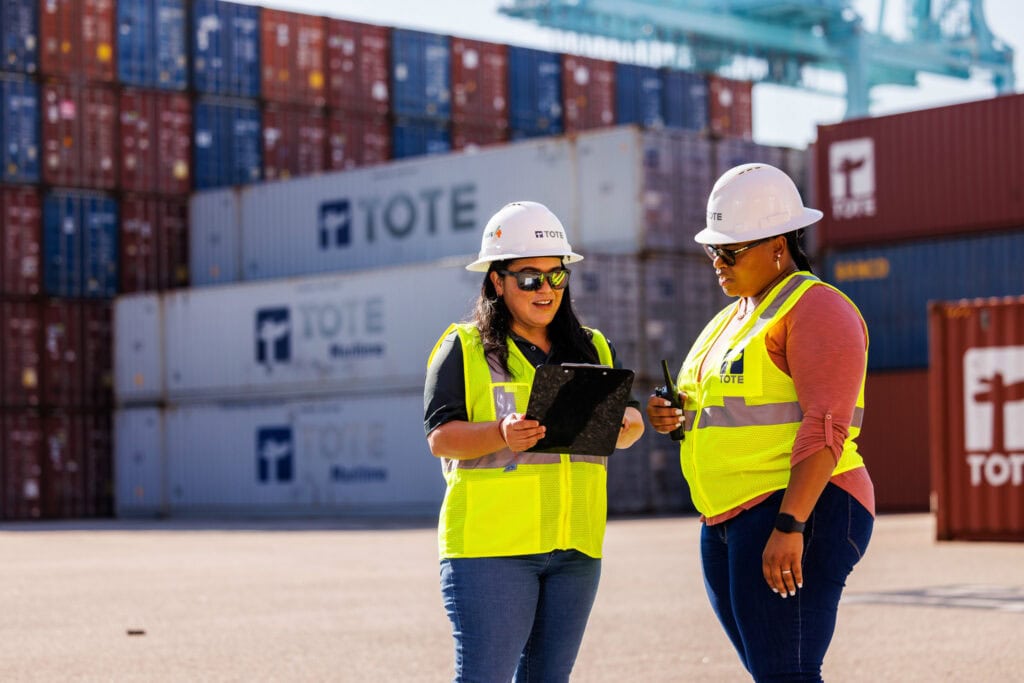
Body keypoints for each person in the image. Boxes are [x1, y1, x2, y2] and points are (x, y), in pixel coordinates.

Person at [646, 163, 875, 682]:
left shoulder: (817, 308)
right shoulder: (731, 319)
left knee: (787, 674)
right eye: (712, 252)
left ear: (778, 243)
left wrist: (791, 525)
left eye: (730, 251)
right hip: (728, 518)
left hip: (799, 509)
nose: (717, 263)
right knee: (773, 673)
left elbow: (826, 426)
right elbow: (718, 409)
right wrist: (672, 416)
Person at [424, 200, 645, 682]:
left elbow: (618, 428)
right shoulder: (462, 347)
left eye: (556, 276)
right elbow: (440, 438)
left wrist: (630, 425)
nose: (546, 289)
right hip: (491, 551)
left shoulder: (596, 347)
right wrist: (499, 433)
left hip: (576, 548)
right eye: (529, 277)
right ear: (496, 282)